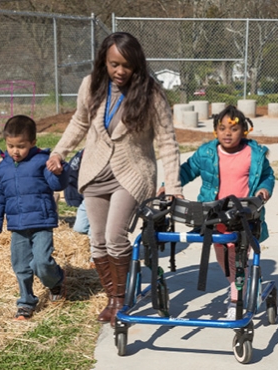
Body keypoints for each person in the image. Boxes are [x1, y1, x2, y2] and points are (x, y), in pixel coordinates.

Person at [46, 32, 182, 327]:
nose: (120, 71)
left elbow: (168, 143)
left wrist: (173, 186)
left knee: (114, 237)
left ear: (137, 65)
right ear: (103, 61)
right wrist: (59, 152)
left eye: (127, 65)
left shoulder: (152, 93)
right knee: (96, 241)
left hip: (132, 174)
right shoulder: (91, 86)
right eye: (114, 64)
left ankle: (120, 301)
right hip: (95, 172)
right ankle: (112, 297)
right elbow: (79, 122)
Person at [178, 105, 275, 320]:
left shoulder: (254, 154)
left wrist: (264, 189)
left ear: (244, 131)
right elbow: (187, 170)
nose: (227, 133)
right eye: (222, 128)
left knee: (235, 256)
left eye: (233, 129)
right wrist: (171, 185)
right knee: (222, 257)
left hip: (243, 217)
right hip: (214, 216)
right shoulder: (207, 152)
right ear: (215, 131)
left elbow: (268, 176)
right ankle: (245, 282)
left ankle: (235, 300)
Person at [0, 115, 69, 320]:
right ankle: (26, 302)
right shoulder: (2, 169)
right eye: (11, 146)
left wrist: (59, 172)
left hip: (42, 222)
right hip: (18, 226)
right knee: (21, 266)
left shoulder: (42, 161)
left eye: (21, 146)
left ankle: (56, 280)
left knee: (41, 262)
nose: (15, 151)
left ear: (33, 143)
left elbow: (57, 185)